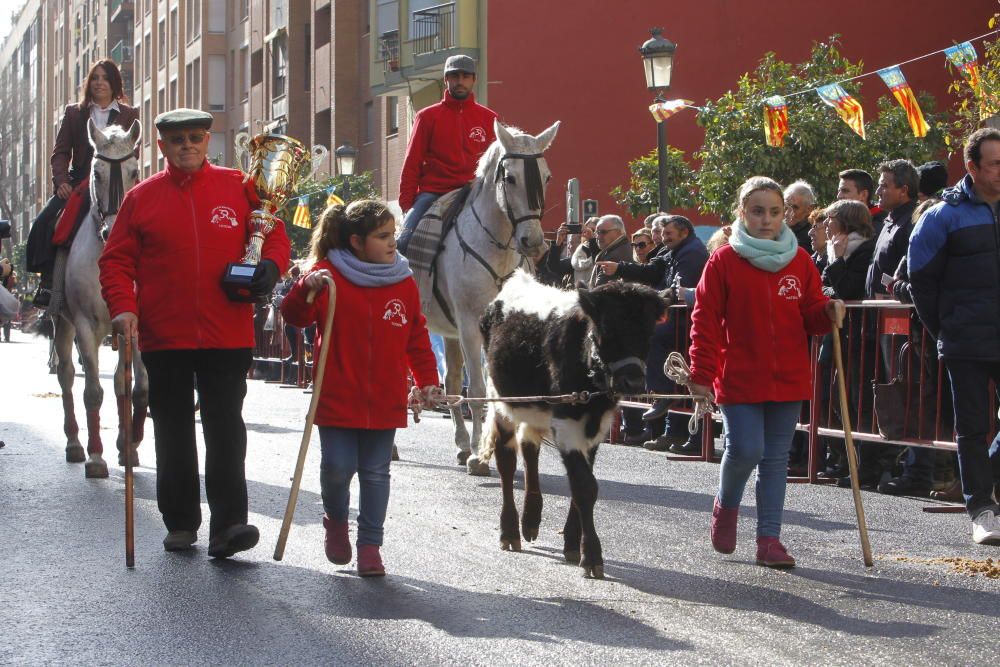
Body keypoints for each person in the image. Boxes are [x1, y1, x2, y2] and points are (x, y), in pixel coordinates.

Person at [99, 108, 290, 558]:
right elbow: (115, 262)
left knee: (226, 429)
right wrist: (124, 309)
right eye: (178, 139)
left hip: (228, 333)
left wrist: (271, 266)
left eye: (196, 137)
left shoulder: (241, 186)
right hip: (166, 336)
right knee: (173, 428)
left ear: (208, 141)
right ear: (161, 146)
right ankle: (181, 522)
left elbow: (274, 234)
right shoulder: (141, 199)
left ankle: (230, 526)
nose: (188, 144)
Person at [280, 200, 439, 576]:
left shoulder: (403, 280)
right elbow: (294, 315)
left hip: (384, 397)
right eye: (382, 237)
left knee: (375, 473)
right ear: (355, 240)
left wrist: (427, 381)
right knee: (337, 467)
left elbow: (416, 335)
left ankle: (371, 545)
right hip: (337, 394)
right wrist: (305, 288)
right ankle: (335, 520)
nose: (392, 244)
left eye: (393, 236)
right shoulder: (327, 276)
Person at [689, 176, 841, 568]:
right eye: (758, 212)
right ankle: (726, 506)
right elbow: (705, 319)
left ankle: (769, 540)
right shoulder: (723, 261)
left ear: (785, 215)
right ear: (743, 213)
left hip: (788, 376)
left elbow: (810, 314)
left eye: (775, 212)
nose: (767, 219)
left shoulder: (801, 259)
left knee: (775, 460)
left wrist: (826, 312)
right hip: (738, 373)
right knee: (745, 450)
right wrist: (701, 372)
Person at [908, 127, 1000, 545]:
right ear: (972, 166)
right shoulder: (943, 215)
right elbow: (919, 279)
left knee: (980, 431)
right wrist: (942, 328)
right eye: (995, 164)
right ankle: (982, 508)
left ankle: (986, 484)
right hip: (966, 337)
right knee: (972, 426)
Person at [26, 60, 139, 308]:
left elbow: (132, 154)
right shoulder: (74, 113)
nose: (99, 82)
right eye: (95, 78)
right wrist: (61, 181)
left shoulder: (130, 114)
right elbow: (60, 153)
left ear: (114, 83)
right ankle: (47, 282)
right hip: (78, 183)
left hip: (116, 183)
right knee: (45, 221)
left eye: (105, 78)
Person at [396, 55, 498, 255]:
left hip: (475, 192)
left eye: (465, 76)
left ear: (474, 79)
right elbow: (412, 161)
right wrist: (407, 205)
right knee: (402, 244)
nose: (460, 81)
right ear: (445, 79)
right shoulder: (426, 117)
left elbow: (496, 165)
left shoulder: (489, 118)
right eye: (454, 76)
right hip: (434, 194)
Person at [837, 168, 887, 235]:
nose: (839, 196)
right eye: (839, 191)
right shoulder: (838, 222)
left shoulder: (879, 227)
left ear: (863, 195)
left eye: (845, 191)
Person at [783, 180, 816, 251]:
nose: (787, 213)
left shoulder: (814, 234)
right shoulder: (775, 227)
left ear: (809, 209)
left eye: (795, 207)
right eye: (786, 206)